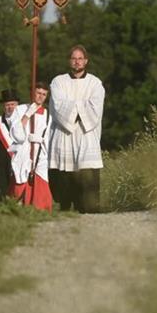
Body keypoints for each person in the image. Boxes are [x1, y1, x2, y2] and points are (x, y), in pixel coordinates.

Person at [48, 45, 106, 213]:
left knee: (87, 174)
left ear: (86, 61)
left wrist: (72, 107)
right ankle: (65, 207)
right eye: (74, 58)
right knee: (64, 176)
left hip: (86, 136)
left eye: (80, 58)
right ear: (69, 61)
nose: (77, 62)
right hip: (64, 136)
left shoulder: (95, 83)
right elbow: (58, 106)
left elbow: (95, 109)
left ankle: (90, 207)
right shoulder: (58, 82)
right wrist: (82, 107)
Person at [10, 83, 53, 212]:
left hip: (40, 154)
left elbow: (49, 137)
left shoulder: (47, 114)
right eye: (38, 93)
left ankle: (40, 210)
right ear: (33, 93)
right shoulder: (21, 109)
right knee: (20, 180)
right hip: (24, 151)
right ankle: (15, 209)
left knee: (40, 182)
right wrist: (27, 115)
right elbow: (16, 134)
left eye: (44, 94)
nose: (40, 97)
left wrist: (39, 140)